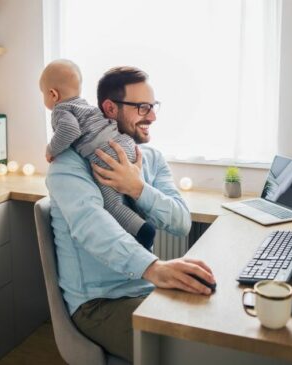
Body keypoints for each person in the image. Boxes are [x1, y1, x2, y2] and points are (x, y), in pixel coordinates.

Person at [46, 66, 216, 362]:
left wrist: (138, 189)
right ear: (110, 109)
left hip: (147, 288)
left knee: (221, 327)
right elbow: (92, 226)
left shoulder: (151, 159)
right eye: (142, 108)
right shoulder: (68, 165)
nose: (152, 117)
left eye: (153, 107)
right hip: (99, 304)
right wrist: (154, 267)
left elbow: (181, 222)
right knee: (195, 353)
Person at [40, 59, 156, 250]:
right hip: (125, 144)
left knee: (111, 204)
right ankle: (140, 220)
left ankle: (144, 232)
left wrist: (50, 149)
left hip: (108, 153)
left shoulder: (62, 110)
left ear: (53, 94)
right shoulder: (85, 106)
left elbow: (70, 131)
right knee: (128, 194)